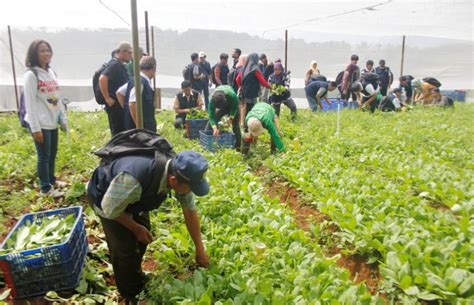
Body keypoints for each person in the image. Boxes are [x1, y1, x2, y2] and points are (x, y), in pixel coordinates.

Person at [87, 149, 210, 304]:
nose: (191, 191)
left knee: (143, 237)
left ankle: (135, 275)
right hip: (105, 198)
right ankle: (132, 294)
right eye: (191, 187)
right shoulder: (133, 181)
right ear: (173, 181)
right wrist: (135, 228)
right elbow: (109, 209)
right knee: (124, 249)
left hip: (133, 198)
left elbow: (189, 210)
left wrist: (200, 249)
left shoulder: (179, 171)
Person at [23, 39, 67, 197]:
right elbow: (30, 103)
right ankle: (45, 188)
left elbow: (56, 97)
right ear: (34, 53)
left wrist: (62, 119)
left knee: (52, 152)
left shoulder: (51, 72)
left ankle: (51, 180)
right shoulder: (31, 74)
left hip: (52, 120)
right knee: (44, 155)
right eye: (42, 50)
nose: (46, 53)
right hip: (40, 122)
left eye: (48, 50)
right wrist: (35, 129)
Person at [116, 56, 157, 132]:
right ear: (154, 68)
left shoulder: (134, 80)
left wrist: (126, 109)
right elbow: (132, 103)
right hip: (141, 129)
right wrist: (139, 126)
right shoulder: (140, 82)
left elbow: (119, 92)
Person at [99, 41, 132, 136]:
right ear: (122, 52)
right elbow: (102, 79)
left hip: (119, 105)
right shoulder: (115, 64)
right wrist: (107, 98)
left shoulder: (120, 64)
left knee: (122, 132)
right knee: (118, 134)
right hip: (115, 106)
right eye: (129, 53)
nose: (130, 55)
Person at [235, 53, 272, 127]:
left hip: (244, 92)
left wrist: (241, 86)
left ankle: (242, 124)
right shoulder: (255, 68)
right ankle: (248, 125)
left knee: (244, 107)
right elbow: (262, 81)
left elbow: (237, 79)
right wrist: (270, 87)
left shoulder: (244, 67)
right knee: (251, 109)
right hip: (252, 93)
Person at [207, 85, 241, 150]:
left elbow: (234, 108)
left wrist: (230, 120)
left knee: (236, 126)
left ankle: (238, 147)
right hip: (223, 104)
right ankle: (209, 141)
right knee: (212, 121)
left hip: (232, 106)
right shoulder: (212, 100)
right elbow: (211, 116)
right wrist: (214, 127)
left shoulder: (232, 95)